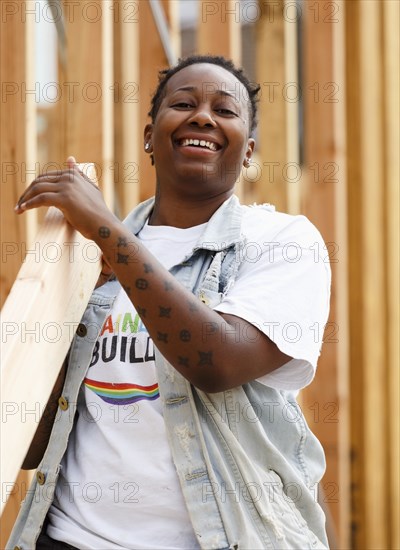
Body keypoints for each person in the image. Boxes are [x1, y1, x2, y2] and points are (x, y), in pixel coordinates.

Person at [9, 55, 331, 549]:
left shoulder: (283, 241)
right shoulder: (89, 262)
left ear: (247, 151)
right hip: (67, 537)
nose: (202, 116)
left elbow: (217, 362)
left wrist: (109, 232)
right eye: (183, 104)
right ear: (149, 137)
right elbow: (32, 442)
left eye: (225, 110)